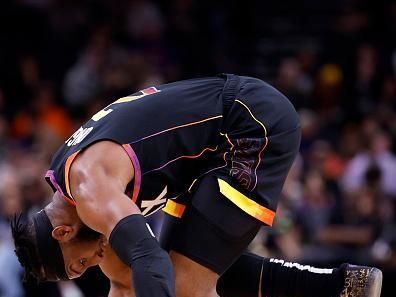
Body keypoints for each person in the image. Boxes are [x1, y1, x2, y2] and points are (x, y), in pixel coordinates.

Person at [11, 74, 382, 297]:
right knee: (179, 271)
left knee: (187, 287)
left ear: (62, 231)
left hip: (249, 125)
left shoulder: (91, 189)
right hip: (207, 152)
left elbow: (149, 260)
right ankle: (347, 285)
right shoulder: (79, 199)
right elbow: (125, 284)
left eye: (81, 263)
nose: (93, 262)